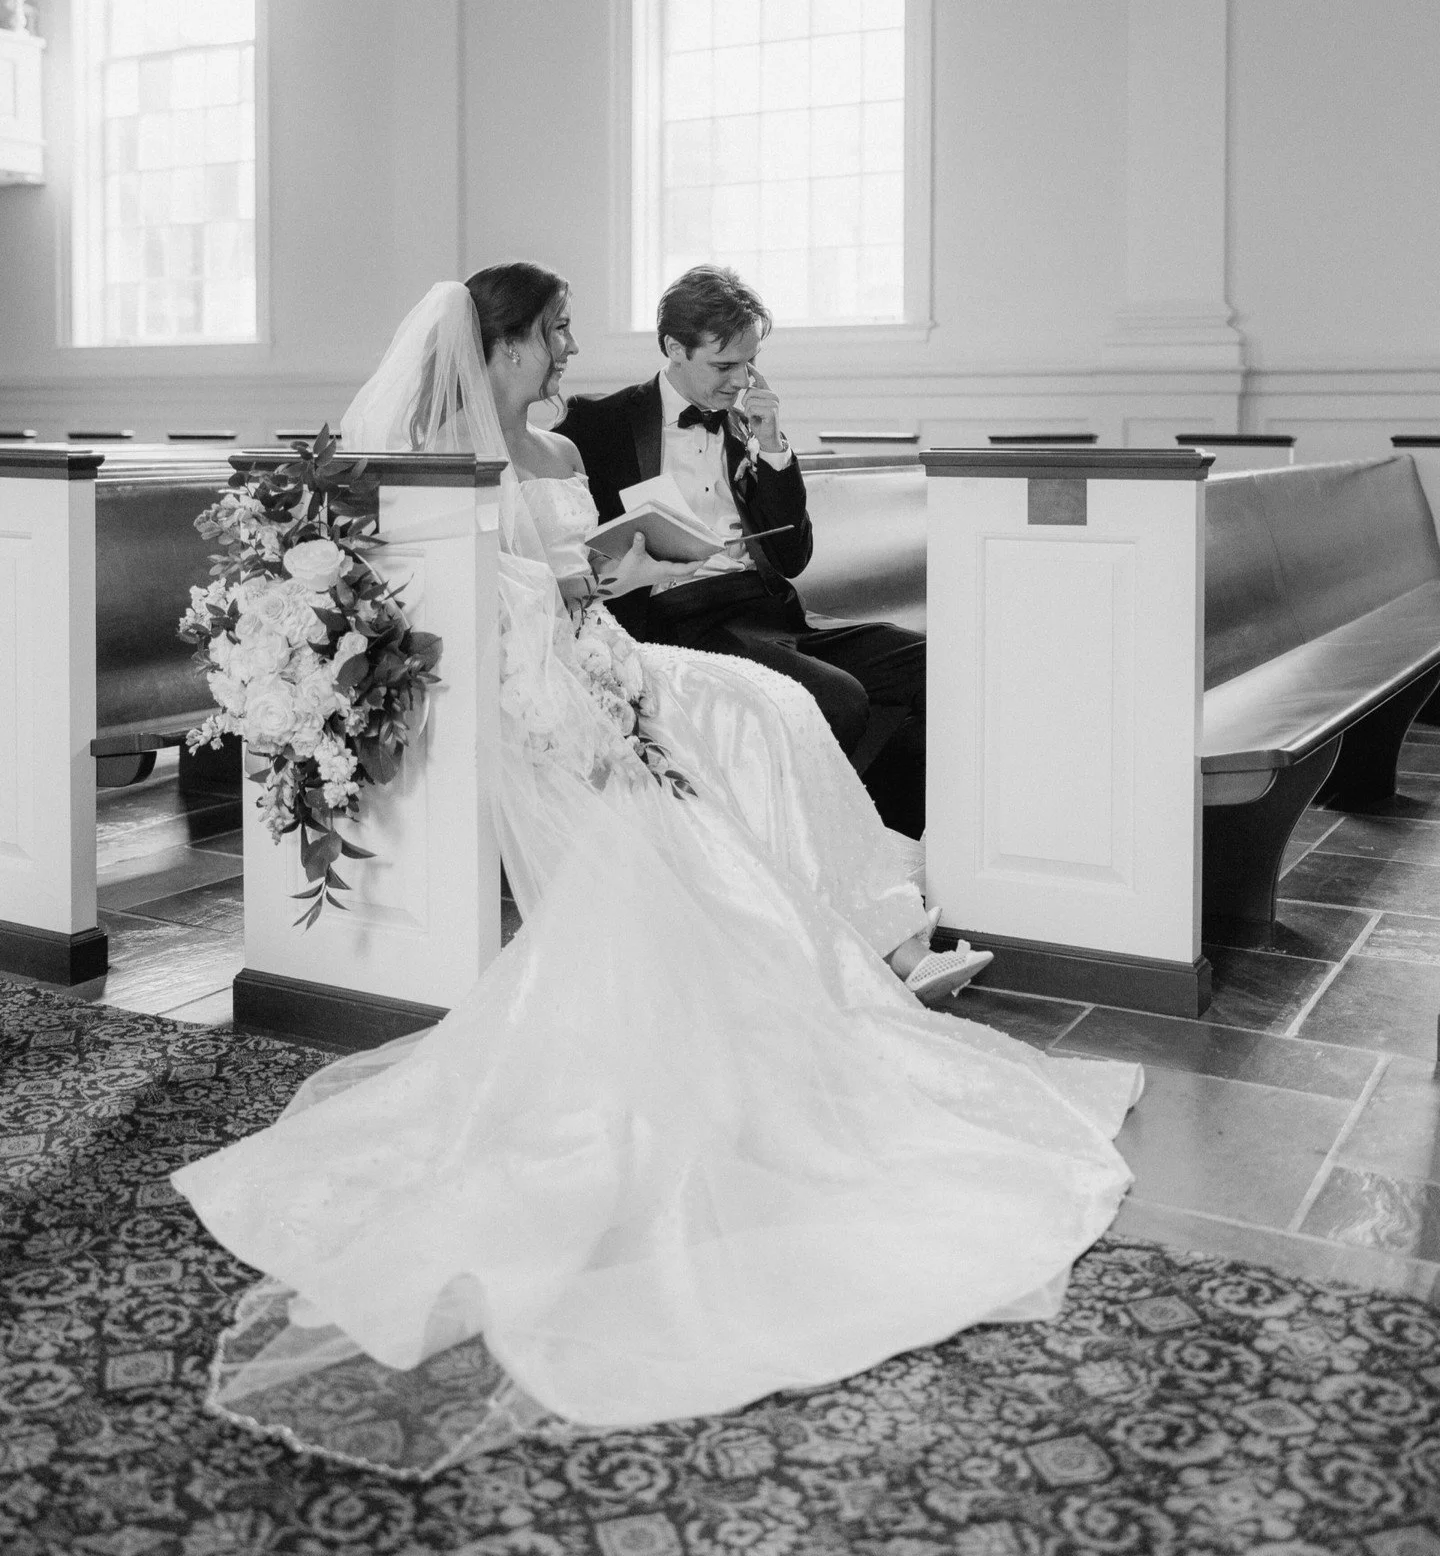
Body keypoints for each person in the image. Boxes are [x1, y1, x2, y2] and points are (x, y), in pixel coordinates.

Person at [170, 269, 1142, 1478]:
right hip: (542, 688)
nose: (572, 347)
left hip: (609, 651)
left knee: (777, 710)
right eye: (555, 331)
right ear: (507, 343)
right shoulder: (446, 456)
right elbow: (468, 596)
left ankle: (875, 928)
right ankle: (847, 944)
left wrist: (614, 584)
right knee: (754, 723)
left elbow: (614, 579)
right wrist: (594, 619)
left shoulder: (558, 451)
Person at [559, 265, 927, 839]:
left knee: (930, 666)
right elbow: (570, 542)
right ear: (672, 348)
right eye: (724, 365)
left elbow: (794, 555)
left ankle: (888, 842)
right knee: (841, 700)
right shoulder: (599, 424)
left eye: (750, 363)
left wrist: (774, 444)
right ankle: (822, 848)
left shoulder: (747, 423)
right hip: (678, 620)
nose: (741, 380)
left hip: (769, 608)